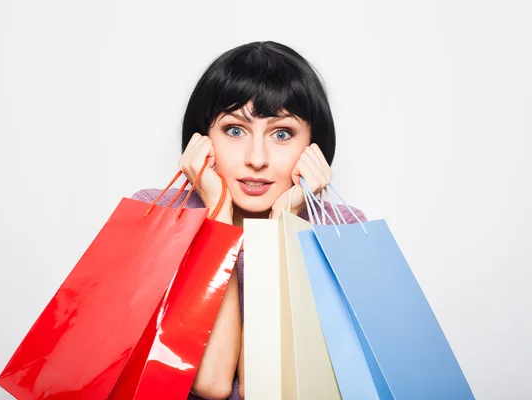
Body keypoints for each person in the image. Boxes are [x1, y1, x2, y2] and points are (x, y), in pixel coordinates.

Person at [131, 40, 367, 400]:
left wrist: (282, 228)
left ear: (313, 146)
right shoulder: (159, 216)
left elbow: (268, 390)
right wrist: (219, 216)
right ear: (203, 138)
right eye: (235, 130)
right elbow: (211, 383)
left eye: (282, 133)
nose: (257, 158)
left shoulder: (342, 232)